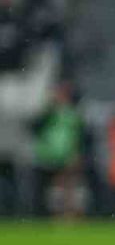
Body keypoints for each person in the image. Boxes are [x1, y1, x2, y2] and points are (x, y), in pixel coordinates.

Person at [29, 80, 87, 217]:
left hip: (66, 155)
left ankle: (67, 214)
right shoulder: (48, 113)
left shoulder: (73, 114)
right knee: (49, 189)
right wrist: (47, 109)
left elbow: (80, 136)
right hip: (47, 155)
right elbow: (34, 128)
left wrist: (78, 153)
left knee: (67, 186)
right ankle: (49, 214)